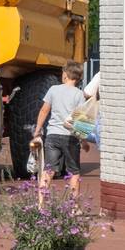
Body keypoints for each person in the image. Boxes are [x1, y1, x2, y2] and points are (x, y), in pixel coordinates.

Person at [32, 61, 86, 194]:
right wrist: (83, 141)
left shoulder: (53, 89)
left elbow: (44, 111)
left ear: (66, 75)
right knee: (74, 172)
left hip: (53, 136)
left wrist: (37, 130)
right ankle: (75, 207)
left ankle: (40, 205)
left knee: (48, 170)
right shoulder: (79, 95)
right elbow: (80, 121)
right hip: (70, 137)